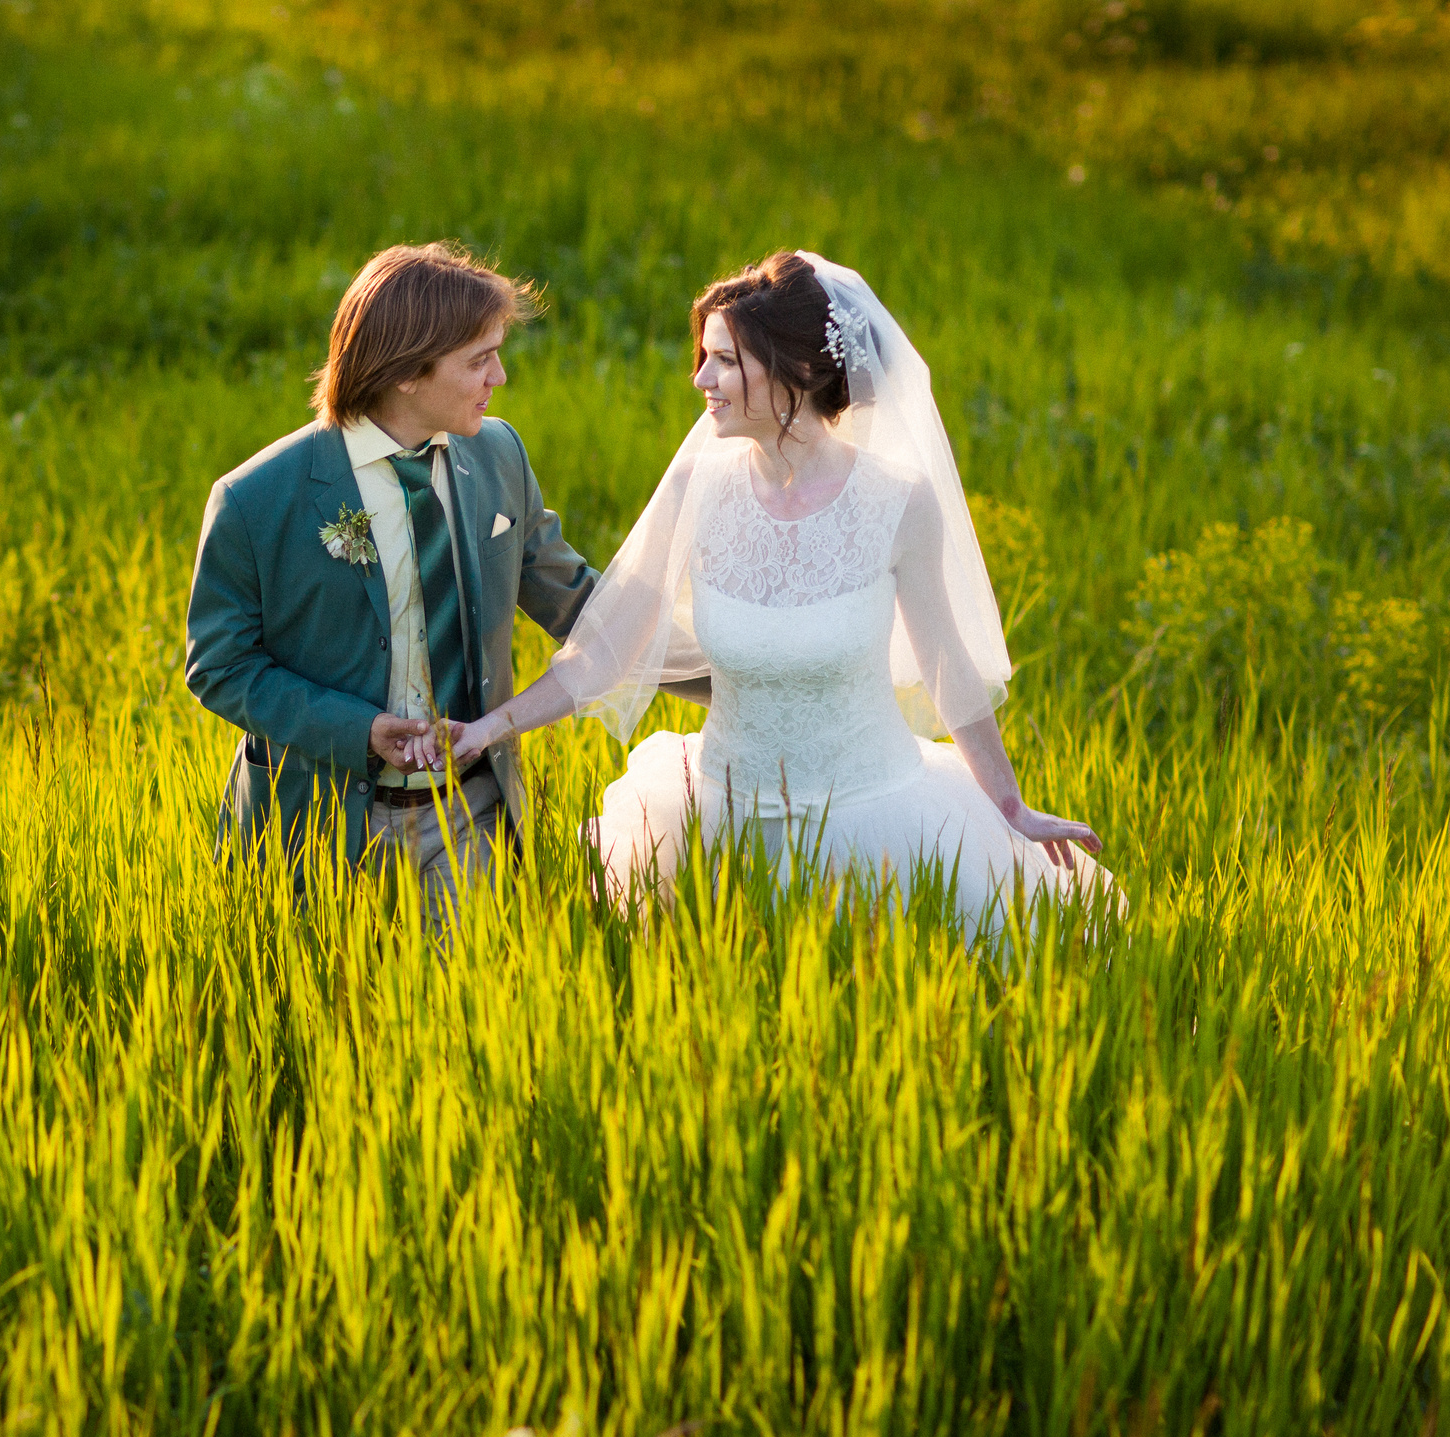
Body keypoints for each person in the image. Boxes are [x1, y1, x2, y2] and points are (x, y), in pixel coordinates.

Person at [435, 250, 1107, 935]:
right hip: (722, 818)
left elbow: (947, 667)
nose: (701, 378)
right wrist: (490, 728)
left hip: (874, 817)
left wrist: (1009, 803)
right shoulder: (698, 484)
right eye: (704, 356)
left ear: (802, 370)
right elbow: (604, 649)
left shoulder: (898, 502)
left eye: (725, 360)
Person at [183, 241, 705, 918]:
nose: (501, 375)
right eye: (479, 359)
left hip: (471, 815)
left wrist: (739, 678)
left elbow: (582, 604)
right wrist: (360, 727)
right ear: (405, 371)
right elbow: (220, 666)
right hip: (319, 826)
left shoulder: (497, 454)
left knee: (473, 1015)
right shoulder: (256, 498)